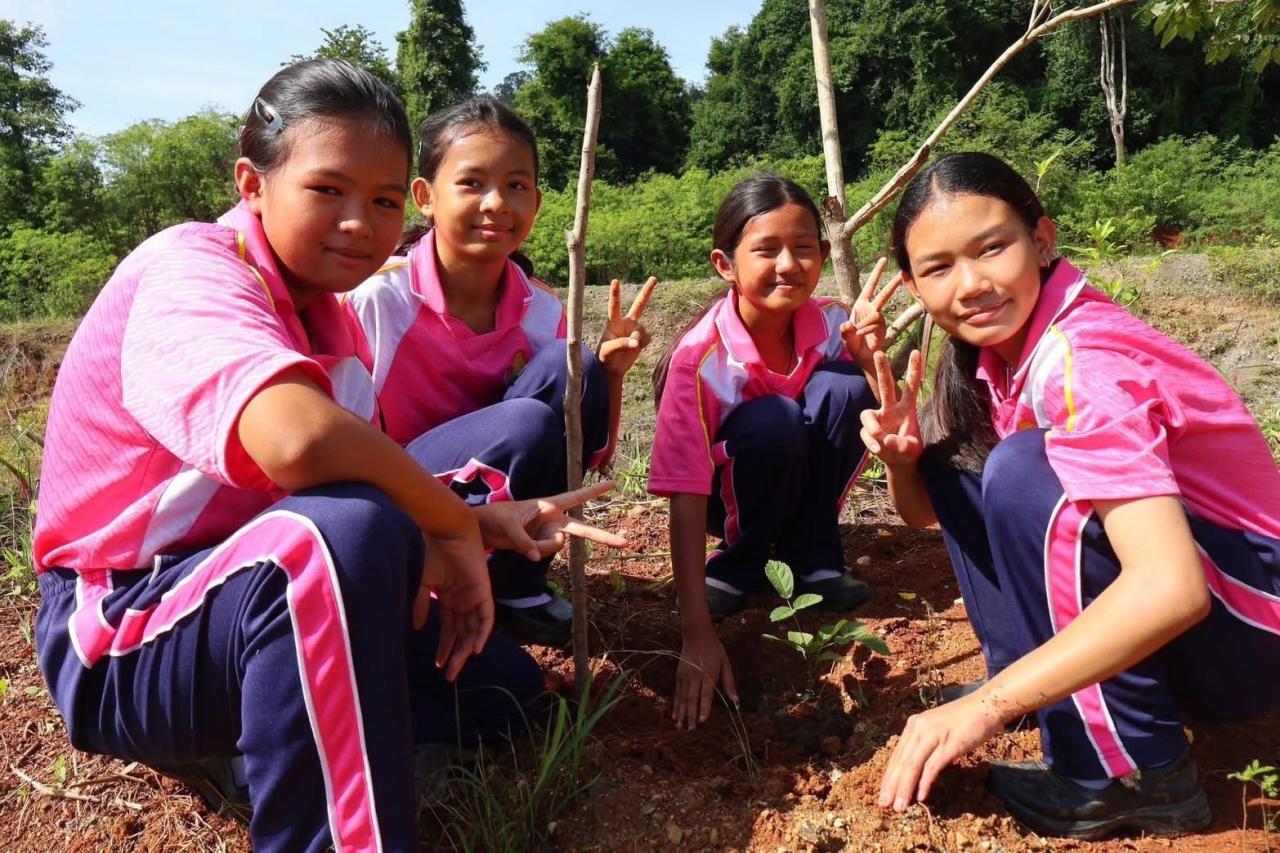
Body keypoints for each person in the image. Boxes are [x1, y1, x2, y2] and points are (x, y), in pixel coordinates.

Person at [32, 60, 623, 852]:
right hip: (126, 630)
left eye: (381, 201)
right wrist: (448, 521)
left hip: (241, 600)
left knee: (507, 693)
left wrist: (480, 522)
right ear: (253, 182)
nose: (358, 221)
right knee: (338, 535)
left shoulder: (335, 332)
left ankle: (263, 736)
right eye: (327, 190)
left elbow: (364, 469)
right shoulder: (190, 267)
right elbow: (297, 440)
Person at [865, 151, 1280, 839]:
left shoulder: (1082, 363)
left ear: (1043, 239)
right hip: (1225, 616)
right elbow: (932, 515)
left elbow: (1173, 588)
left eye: (992, 248)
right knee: (965, 467)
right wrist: (905, 463)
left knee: (1025, 470)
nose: (970, 284)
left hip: (1253, 630)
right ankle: (1046, 681)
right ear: (912, 284)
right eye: (939, 267)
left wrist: (988, 707)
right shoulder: (1005, 355)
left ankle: (1132, 773)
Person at [344, 96, 656, 646]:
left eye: (516, 186)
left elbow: (581, 452)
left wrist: (608, 373)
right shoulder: (380, 300)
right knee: (525, 424)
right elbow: (347, 438)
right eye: (471, 184)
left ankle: (517, 583)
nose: (496, 204)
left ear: (536, 201)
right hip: (401, 489)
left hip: (499, 476)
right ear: (425, 198)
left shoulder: (541, 309)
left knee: (573, 365)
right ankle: (432, 573)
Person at [648, 174, 894, 731]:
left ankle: (812, 558)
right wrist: (695, 631)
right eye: (766, 249)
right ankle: (738, 566)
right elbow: (685, 494)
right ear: (724, 264)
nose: (788, 264)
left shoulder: (833, 323)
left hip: (797, 477)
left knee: (848, 388)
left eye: (803, 248)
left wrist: (873, 359)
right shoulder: (702, 359)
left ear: (823, 254)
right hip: (724, 493)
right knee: (776, 419)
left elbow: (890, 414)